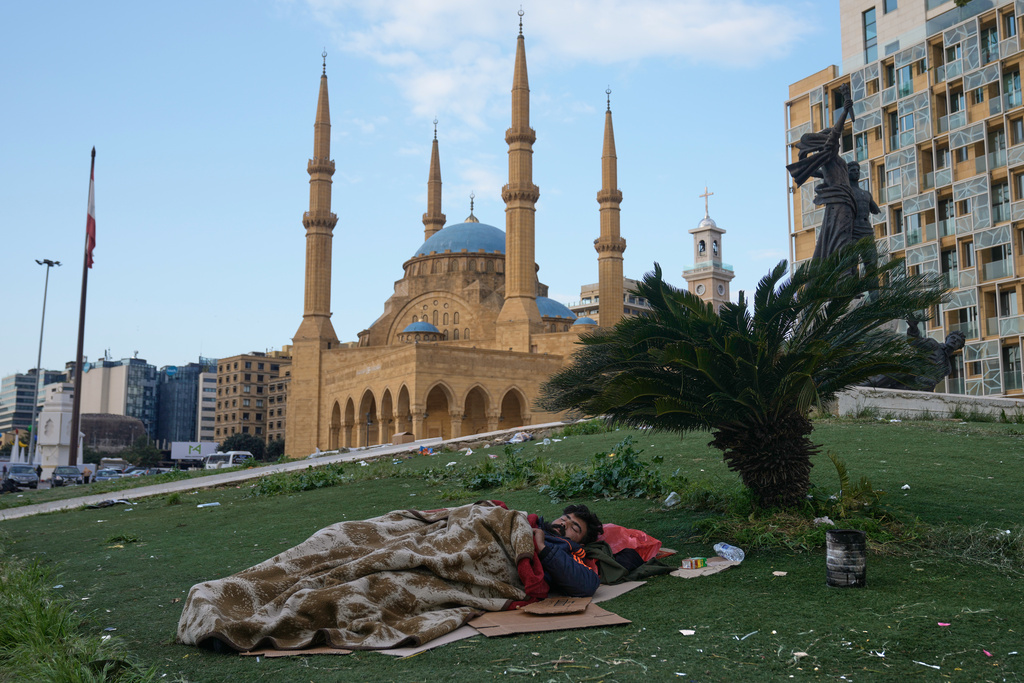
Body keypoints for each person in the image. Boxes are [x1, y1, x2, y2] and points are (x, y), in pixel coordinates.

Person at [786, 83, 858, 263]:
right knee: (840, 239)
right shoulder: (829, 154)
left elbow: (823, 174)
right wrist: (844, 111)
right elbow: (835, 133)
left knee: (842, 238)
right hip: (840, 200)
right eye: (834, 139)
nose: (838, 141)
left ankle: (846, 273)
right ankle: (842, 274)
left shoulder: (830, 160)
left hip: (845, 200)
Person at [867, 319, 966, 391]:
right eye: (953, 337)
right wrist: (913, 328)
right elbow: (916, 341)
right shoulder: (933, 345)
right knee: (876, 383)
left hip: (917, 388)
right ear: (947, 338)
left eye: (958, 341)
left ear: (959, 347)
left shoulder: (947, 368)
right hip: (906, 373)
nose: (954, 341)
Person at [533, 504, 603, 597]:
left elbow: (587, 585)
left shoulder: (567, 555)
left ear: (580, 544)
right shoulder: (534, 524)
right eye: (563, 519)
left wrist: (543, 548)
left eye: (574, 528)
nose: (564, 524)